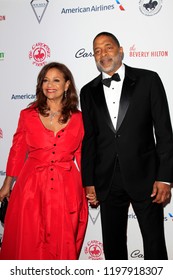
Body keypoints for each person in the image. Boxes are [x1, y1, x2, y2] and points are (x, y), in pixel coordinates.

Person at [80, 31, 173, 260]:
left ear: (121, 50)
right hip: (107, 181)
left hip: (147, 179)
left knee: (154, 246)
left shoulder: (148, 80)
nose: (103, 54)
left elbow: (164, 132)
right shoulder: (87, 91)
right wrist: (89, 181)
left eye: (108, 47)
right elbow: (90, 139)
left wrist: (165, 178)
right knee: (113, 249)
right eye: (97, 50)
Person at [0, 62, 88, 260]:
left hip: (66, 187)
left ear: (67, 86)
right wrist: (7, 185)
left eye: (56, 80)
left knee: (62, 239)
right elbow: (17, 151)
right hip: (31, 187)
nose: (50, 84)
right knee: (29, 238)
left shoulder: (80, 118)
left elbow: (84, 155)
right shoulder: (27, 115)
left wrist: (90, 186)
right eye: (45, 80)